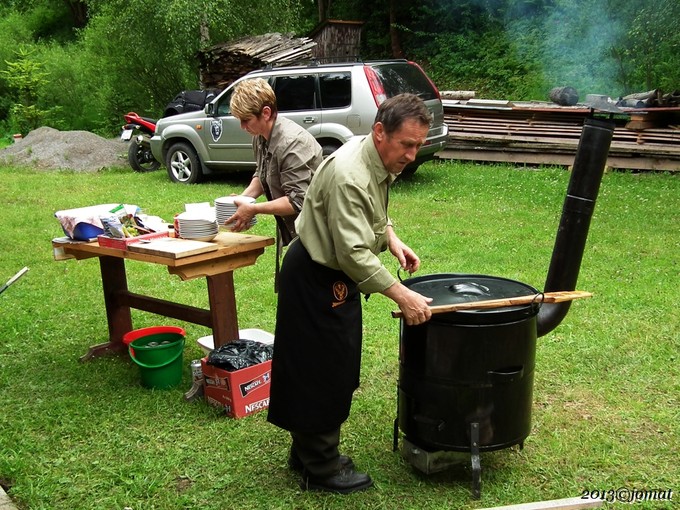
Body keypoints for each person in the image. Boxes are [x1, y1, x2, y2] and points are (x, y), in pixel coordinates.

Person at [267, 93, 434, 494]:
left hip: (330, 274)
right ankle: (321, 468)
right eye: (406, 144)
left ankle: (306, 452)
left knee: (326, 365)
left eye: (418, 145)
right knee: (321, 371)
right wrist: (402, 296)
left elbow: (369, 210)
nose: (412, 154)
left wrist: (390, 236)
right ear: (380, 132)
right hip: (316, 276)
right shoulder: (349, 173)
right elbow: (354, 253)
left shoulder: (373, 155)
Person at [226, 78, 323, 248]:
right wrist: (244, 198)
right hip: (300, 233)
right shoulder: (260, 137)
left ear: (265, 113)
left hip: (321, 234)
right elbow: (263, 174)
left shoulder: (293, 143)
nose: (242, 126)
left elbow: (297, 201)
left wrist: (254, 209)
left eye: (246, 119)